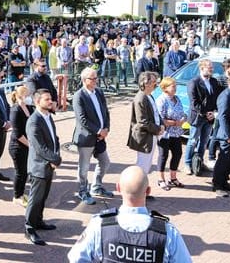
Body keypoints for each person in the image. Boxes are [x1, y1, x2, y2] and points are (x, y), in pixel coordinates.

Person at [67, 165, 192, 262]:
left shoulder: (100, 226)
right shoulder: (167, 232)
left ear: (118, 188)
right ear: (148, 191)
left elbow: (76, 258)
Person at [24, 89, 61, 246]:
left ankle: (39, 221)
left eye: (50, 99)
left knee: (43, 197)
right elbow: (39, 147)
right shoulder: (34, 121)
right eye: (46, 99)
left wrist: (55, 155)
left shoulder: (48, 116)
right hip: (39, 166)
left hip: (49, 165)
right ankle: (30, 228)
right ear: (37, 102)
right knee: (35, 199)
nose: (50, 101)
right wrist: (55, 159)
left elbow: (54, 139)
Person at [72, 67, 113, 206]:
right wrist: (98, 131)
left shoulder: (99, 92)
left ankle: (97, 186)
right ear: (84, 80)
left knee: (105, 162)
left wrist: (106, 128)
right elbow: (82, 119)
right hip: (86, 137)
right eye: (92, 78)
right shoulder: (79, 96)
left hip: (101, 135)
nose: (96, 81)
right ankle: (83, 191)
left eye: (96, 78)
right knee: (84, 167)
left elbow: (105, 111)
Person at [127, 71, 164, 189]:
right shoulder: (140, 98)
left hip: (152, 135)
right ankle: (137, 191)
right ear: (145, 83)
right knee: (142, 166)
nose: (156, 85)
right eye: (154, 82)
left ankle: (142, 191)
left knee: (147, 165)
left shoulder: (149, 96)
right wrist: (158, 129)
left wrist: (162, 125)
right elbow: (142, 122)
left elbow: (156, 114)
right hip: (145, 137)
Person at [184, 59, 220, 175]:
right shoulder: (193, 82)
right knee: (193, 140)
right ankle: (188, 164)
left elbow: (216, 99)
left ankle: (199, 162)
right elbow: (194, 103)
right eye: (209, 67)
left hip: (209, 118)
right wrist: (206, 113)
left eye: (211, 68)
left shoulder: (214, 81)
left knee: (204, 141)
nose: (211, 69)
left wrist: (213, 112)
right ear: (201, 68)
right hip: (198, 117)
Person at [155, 77, 186, 191]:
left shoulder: (176, 98)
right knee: (163, 156)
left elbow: (183, 112)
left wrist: (183, 119)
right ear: (165, 88)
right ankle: (161, 179)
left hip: (176, 133)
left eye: (175, 86)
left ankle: (173, 178)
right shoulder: (161, 100)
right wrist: (174, 122)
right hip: (165, 133)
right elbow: (160, 119)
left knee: (177, 153)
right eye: (173, 86)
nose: (175, 88)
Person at [207, 58, 230, 168]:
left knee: (228, 134)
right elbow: (216, 96)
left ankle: (224, 158)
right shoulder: (220, 80)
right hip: (221, 111)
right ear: (227, 68)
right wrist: (216, 111)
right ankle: (211, 157)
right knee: (216, 134)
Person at [8, 85, 34, 207]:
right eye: (27, 95)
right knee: (20, 172)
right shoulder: (15, 110)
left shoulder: (29, 107)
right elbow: (17, 134)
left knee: (25, 172)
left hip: (27, 145)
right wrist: (31, 146)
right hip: (18, 146)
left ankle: (21, 193)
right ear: (20, 96)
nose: (29, 97)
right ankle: (17, 196)